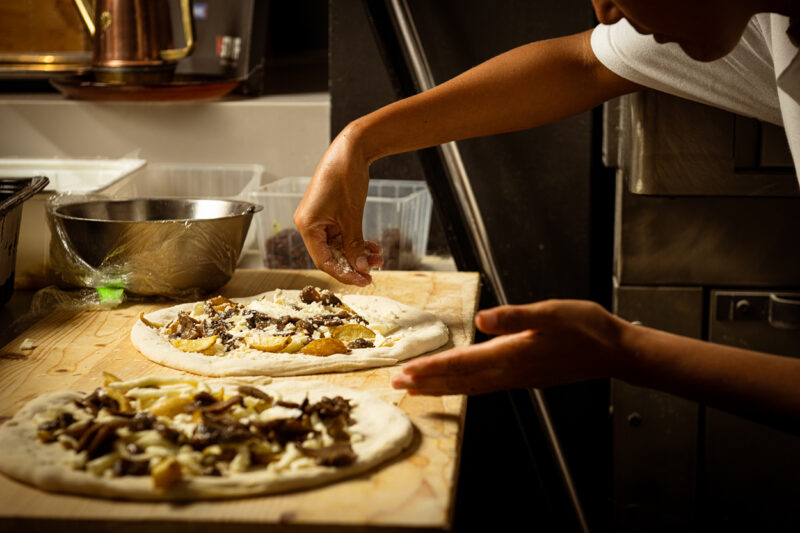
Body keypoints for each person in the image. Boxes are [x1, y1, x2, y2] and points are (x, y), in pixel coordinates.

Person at [293, 0, 800, 425]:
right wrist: (357, 143)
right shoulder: (767, 21)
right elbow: (583, 62)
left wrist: (624, 351)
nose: (604, 11)